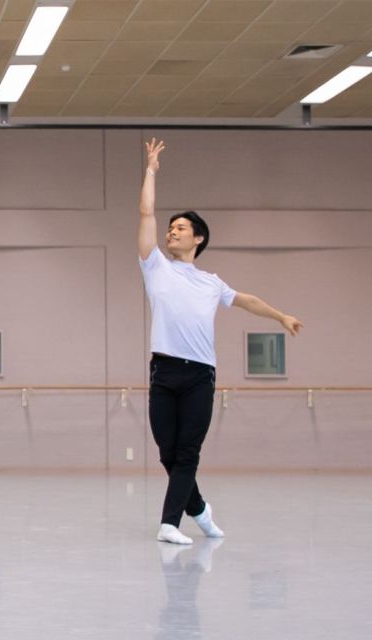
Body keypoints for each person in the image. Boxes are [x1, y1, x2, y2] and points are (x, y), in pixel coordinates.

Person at [138, 138, 303, 545]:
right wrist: (151, 170)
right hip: (164, 370)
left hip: (200, 376)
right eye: (170, 227)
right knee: (167, 451)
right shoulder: (155, 266)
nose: (171, 232)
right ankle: (199, 509)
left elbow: (247, 301)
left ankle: (169, 524)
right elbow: (145, 213)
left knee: (187, 453)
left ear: (198, 238)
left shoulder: (211, 283)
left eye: (180, 228)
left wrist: (281, 316)